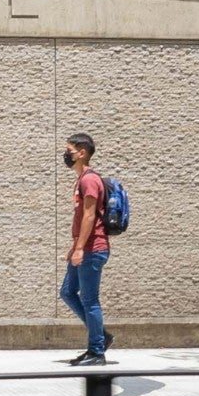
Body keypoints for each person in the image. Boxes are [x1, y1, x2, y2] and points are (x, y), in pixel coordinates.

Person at [59, 133, 114, 367]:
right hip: (84, 248)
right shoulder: (81, 179)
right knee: (68, 292)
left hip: (93, 249)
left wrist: (80, 248)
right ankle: (100, 335)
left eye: (69, 151)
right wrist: (74, 248)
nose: (66, 155)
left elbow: (90, 216)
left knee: (90, 299)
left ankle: (97, 351)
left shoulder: (89, 180)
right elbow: (82, 217)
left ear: (82, 153)